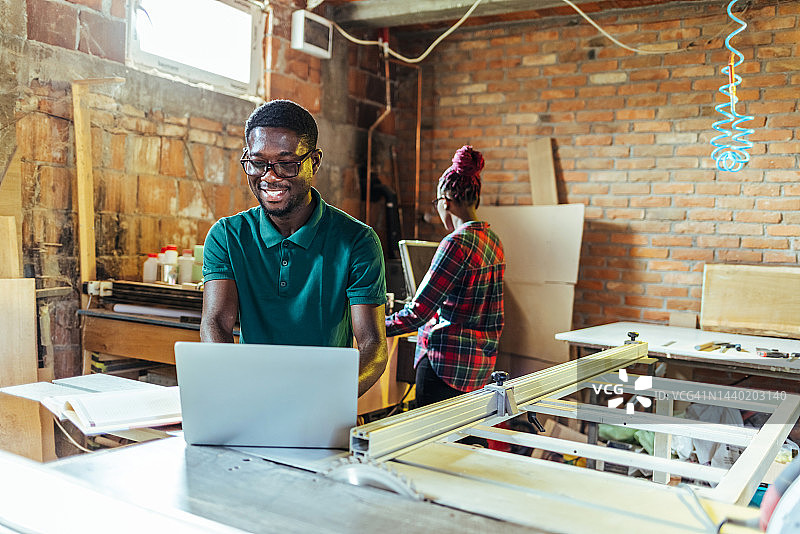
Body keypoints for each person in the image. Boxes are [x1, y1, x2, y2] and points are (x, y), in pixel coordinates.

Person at [200, 99, 388, 397]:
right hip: (252, 397)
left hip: (324, 400)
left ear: (314, 161)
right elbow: (216, 323)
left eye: (287, 163)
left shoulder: (357, 241)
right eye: (258, 162)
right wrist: (236, 390)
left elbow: (372, 345)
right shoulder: (227, 236)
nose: (270, 176)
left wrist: (329, 399)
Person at [385, 145, 505, 408]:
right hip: (477, 368)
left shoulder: (455, 244)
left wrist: (374, 326)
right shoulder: (493, 241)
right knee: (467, 442)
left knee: (432, 446)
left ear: (445, 202)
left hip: (444, 367)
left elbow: (419, 313)